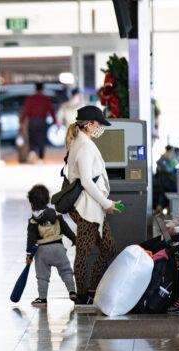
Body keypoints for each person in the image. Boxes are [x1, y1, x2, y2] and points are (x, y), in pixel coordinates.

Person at [64, 105, 120, 305]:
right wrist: (106, 203)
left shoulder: (81, 142)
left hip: (91, 208)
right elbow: (87, 181)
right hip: (86, 209)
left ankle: (91, 289)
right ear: (88, 125)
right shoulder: (84, 146)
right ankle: (82, 295)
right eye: (98, 124)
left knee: (107, 248)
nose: (100, 127)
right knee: (84, 252)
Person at [26, 184, 77, 306]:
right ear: (48, 200)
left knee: (42, 276)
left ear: (32, 203)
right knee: (66, 270)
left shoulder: (33, 221)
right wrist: (74, 239)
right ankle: (72, 291)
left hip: (42, 252)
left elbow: (31, 239)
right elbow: (66, 229)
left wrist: (29, 255)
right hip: (58, 248)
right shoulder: (56, 215)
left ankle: (42, 299)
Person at [20, 82, 56, 161]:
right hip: (42, 121)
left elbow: (26, 110)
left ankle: (32, 152)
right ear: (42, 89)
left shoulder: (30, 98)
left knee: (32, 138)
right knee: (41, 139)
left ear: (35, 89)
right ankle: (40, 158)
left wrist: (22, 120)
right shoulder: (46, 98)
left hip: (32, 121)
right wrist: (55, 121)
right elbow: (51, 110)